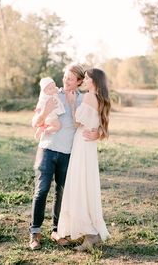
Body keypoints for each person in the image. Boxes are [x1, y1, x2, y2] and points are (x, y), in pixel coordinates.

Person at [29, 63, 99, 250]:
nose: (65, 81)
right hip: (47, 149)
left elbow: (96, 121)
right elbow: (34, 122)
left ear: (79, 81)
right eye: (64, 77)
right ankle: (35, 233)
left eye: (70, 79)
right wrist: (45, 111)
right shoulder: (51, 93)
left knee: (62, 194)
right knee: (42, 190)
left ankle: (57, 232)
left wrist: (98, 134)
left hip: (69, 154)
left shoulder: (84, 99)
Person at [57, 68, 111, 252]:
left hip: (82, 142)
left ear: (94, 81)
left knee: (81, 184)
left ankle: (90, 234)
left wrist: (72, 104)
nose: (85, 80)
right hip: (89, 146)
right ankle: (91, 232)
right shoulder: (101, 99)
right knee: (86, 184)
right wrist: (98, 133)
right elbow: (103, 126)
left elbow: (77, 122)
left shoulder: (89, 97)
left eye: (87, 78)